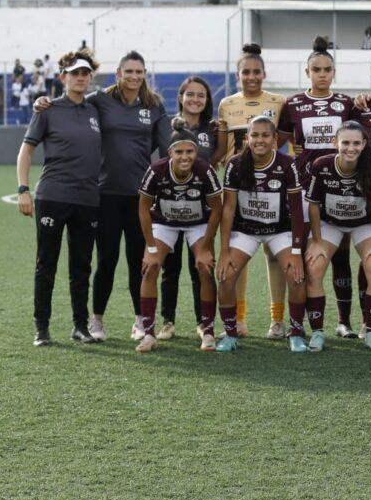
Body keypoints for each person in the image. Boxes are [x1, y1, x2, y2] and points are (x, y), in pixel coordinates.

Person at [33, 51, 171, 341]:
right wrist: (42, 101)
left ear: (145, 74)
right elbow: (72, 102)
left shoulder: (155, 106)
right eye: (128, 71)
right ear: (118, 73)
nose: (134, 76)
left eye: (139, 71)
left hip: (140, 196)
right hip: (103, 194)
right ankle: (96, 320)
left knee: (138, 260)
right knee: (106, 258)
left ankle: (141, 320)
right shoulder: (100, 100)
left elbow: (166, 148)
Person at [17, 50, 103, 346]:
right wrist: (23, 189)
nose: (80, 78)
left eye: (85, 73)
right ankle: (42, 328)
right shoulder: (48, 108)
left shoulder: (95, 110)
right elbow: (26, 151)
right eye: (74, 73)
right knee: (46, 263)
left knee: (81, 265)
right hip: (53, 196)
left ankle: (80, 326)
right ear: (63, 77)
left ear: (90, 77)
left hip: (88, 199)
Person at [277, 36, 359, 338]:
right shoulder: (293, 104)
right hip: (304, 188)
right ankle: (298, 322)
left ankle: (344, 321)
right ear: (307, 72)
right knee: (300, 252)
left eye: (327, 69)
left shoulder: (345, 104)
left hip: (340, 189)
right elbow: (277, 143)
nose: (322, 74)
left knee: (340, 254)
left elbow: (357, 140)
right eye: (317, 70)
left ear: (333, 73)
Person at [216, 116, 306, 352]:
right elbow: (228, 209)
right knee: (225, 277)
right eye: (254, 135)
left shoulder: (287, 164)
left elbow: (297, 211)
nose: (260, 140)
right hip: (246, 230)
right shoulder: (235, 164)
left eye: (266, 135)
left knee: (297, 275)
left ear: (275, 139)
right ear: (247, 138)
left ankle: (295, 332)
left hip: (280, 230)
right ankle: (230, 333)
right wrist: (224, 250)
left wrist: (296, 251)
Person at [135, 119, 223, 354]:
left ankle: (208, 330)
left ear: (197, 151)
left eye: (190, 151)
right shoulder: (156, 170)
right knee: (151, 266)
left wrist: (205, 246)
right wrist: (151, 247)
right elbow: (143, 209)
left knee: (204, 266)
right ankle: (149, 333)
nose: (185, 157)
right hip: (165, 224)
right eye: (179, 152)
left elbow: (217, 208)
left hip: (198, 224)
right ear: (170, 152)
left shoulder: (205, 170)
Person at [217, 44, 287, 337]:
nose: (251, 77)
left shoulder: (279, 102)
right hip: (238, 187)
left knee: (274, 253)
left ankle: (277, 320)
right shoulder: (226, 104)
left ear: (264, 73)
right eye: (246, 72)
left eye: (256, 71)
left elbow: (282, 142)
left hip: (273, 187)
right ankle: (240, 319)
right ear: (238, 75)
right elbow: (222, 151)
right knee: (239, 256)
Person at [304, 122, 371, 352]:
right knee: (313, 267)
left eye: (355, 143)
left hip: (364, 224)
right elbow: (312, 204)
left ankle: (370, 332)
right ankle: (318, 332)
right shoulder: (321, 166)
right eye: (345, 143)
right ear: (335, 143)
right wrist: (318, 240)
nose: (350, 148)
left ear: (363, 144)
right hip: (330, 223)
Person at [158, 77, 226, 338]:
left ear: (207, 100)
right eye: (190, 94)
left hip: (201, 208)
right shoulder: (166, 124)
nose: (195, 100)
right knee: (170, 267)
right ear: (181, 97)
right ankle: (168, 321)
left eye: (201, 95)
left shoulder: (213, 127)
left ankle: (203, 322)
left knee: (202, 266)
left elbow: (217, 155)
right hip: (171, 205)